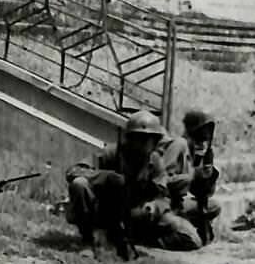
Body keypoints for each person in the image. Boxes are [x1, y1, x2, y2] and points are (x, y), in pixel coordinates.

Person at [65, 109, 201, 256]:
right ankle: (88, 241)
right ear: (130, 138)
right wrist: (106, 177)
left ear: (155, 141)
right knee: (79, 184)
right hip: (105, 211)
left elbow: (163, 196)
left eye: (149, 139)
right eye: (139, 138)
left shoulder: (154, 162)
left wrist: (154, 207)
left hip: (136, 214)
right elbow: (73, 171)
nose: (143, 144)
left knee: (191, 238)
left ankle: (135, 240)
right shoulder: (112, 153)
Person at [156, 110, 221, 245]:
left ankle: (185, 225)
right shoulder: (179, 145)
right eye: (203, 132)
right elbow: (162, 182)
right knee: (193, 241)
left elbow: (200, 193)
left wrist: (209, 179)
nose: (205, 138)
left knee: (214, 206)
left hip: (179, 204)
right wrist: (193, 175)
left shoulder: (199, 153)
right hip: (164, 204)